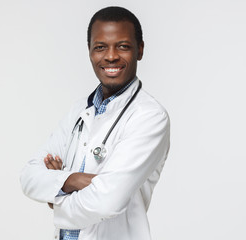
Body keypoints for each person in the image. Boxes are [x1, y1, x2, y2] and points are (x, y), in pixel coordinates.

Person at [20, 6, 170, 240]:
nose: (110, 56)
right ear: (90, 51)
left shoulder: (149, 117)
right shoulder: (79, 111)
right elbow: (29, 176)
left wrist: (55, 196)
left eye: (123, 46)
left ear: (140, 50)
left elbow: (106, 202)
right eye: (100, 47)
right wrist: (72, 180)